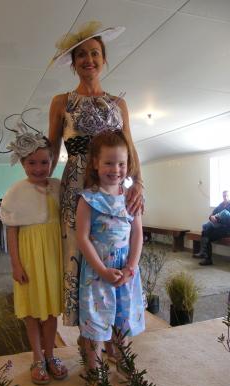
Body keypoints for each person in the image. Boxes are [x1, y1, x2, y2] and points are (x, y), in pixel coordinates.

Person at [49, 21, 144, 327]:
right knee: (79, 250)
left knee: (117, 247)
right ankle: (88, 333)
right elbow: (52, 148)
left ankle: (116, 331)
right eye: (81, 55)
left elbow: (129, 147)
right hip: (76, 184)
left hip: (114, 188)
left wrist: (138, 183)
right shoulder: (61, 102)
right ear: (73, 63)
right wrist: (39, 184)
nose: (88, 59)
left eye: (95, 53)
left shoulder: (119, 103)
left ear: (104, 60)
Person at [76, 130, 145, 386]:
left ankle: (123, 360)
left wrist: (131, 266)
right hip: (98, 272)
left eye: (121, 164)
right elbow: (82, 237)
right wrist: (103, 270)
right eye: (108, 163)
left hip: (126, 271)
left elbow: (137, 232)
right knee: (95, 324)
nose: (115, 169)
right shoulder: (88, 198)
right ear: (95, 163)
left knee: (123, 320)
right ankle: (95, 374)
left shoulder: (131, 197)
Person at [0, 129, 67, 385]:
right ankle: (37, 357)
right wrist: (15, 264)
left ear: (52, 160)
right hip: (29, 258)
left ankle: (51, 355)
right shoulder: (16, 192)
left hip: (52, 257)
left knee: (50, 310)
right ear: (22, 163)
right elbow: (12, 232)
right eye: (31, 163)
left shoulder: (57, 187)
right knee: (32, 309)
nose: (39, 168)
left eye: (44, 162)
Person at [194, 190, 230, 265]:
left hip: (226, 230)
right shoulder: (220, 205)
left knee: (206, 229)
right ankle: (207, 258)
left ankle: (204, 254)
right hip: (217, 228)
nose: (225, 197)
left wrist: (219, 218)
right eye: (224, 196)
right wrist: (212, 217)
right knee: (206, 233)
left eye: (227, 196)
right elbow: (210, 215)